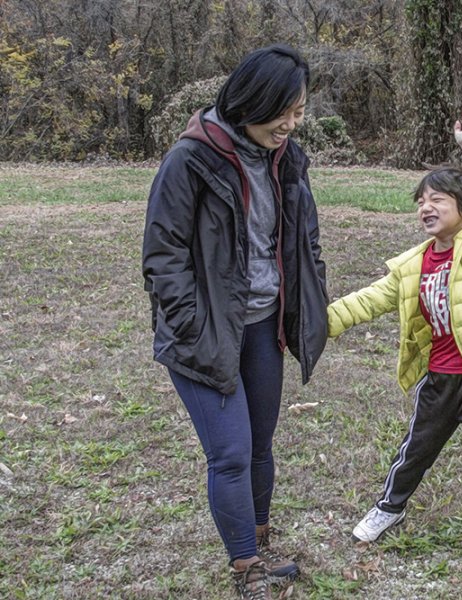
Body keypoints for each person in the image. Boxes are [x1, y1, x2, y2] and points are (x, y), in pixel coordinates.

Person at [141, 44, 328, 599]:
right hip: (206, 333)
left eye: (299, 112)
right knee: (229, 453)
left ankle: (260, 543)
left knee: (260, 446)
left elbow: (303, 238)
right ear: (253, 100)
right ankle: (246, 570)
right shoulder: (190, 158)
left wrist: (307, 295)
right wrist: (193, 325)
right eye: (285, 112)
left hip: (262, 326)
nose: (293, 124)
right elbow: (163, 254)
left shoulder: (286, 157)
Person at [327, 108, 462, 560]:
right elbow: (369, 299)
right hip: (437, 377)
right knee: (414, 450)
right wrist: (320, 324)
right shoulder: (413, 264)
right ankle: (388, 508)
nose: (426, 207)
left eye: (438, 199)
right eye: (421, 201)